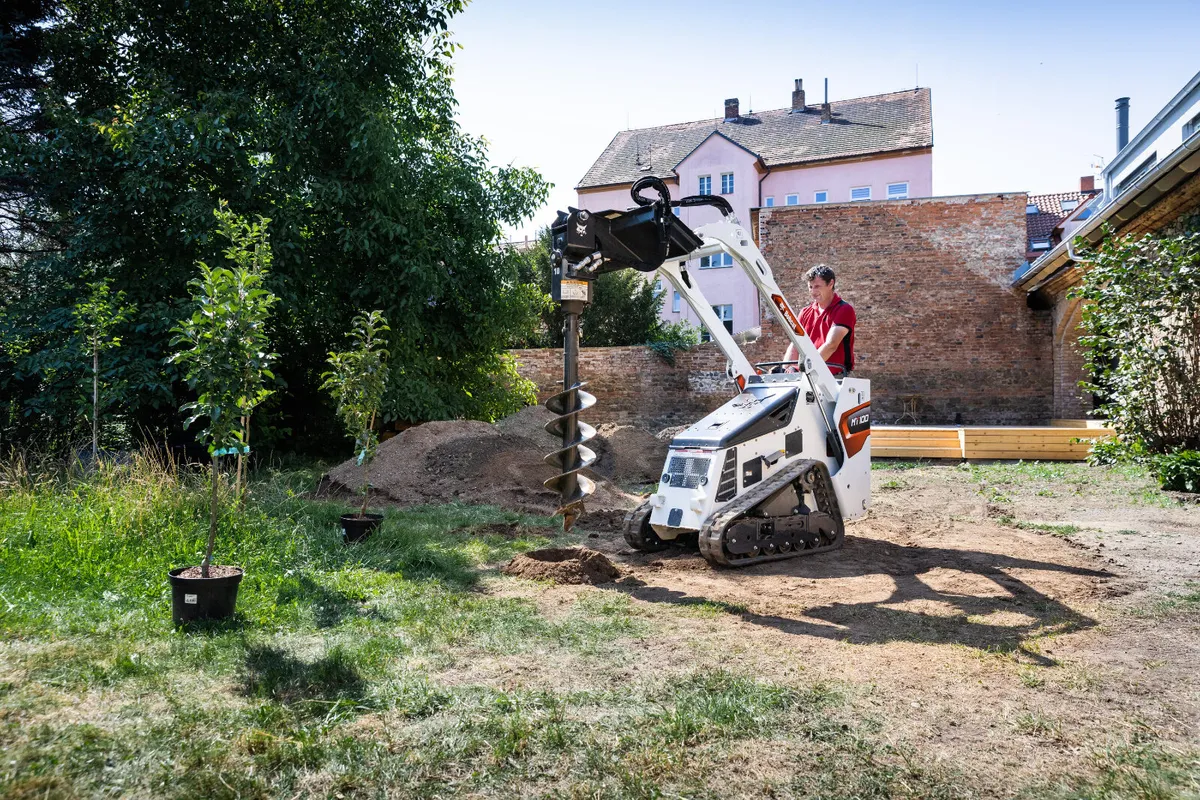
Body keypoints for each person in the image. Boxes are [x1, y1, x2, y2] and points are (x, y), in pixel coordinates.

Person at [782, 264, 855, 376]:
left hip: (835, 377)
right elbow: (795, 344)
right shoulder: (805, 312)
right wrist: (784, 371)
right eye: (810, 287)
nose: (813, 291)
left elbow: (831, 345)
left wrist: (805, 369)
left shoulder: (844, 310)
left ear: (831, 284)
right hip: (808, 375)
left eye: (817, 286)